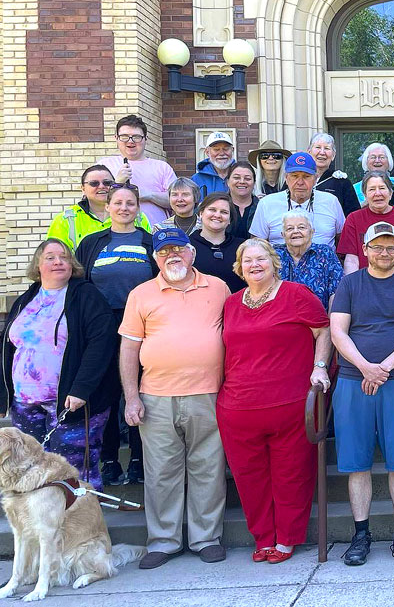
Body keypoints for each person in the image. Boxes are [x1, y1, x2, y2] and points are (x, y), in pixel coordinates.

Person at [119, 227, 230, 568]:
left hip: (208, 393)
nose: (173, 256)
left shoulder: (218, 288)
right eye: (164, 251)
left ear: (192, 252)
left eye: (178, 249)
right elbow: (128, 348)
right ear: (155, 258)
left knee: (208, 469)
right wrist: (131, 397)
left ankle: (205, 538)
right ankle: (163, 541)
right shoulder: (141, 294)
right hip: (156, 396)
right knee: (161, 472)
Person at [217, 238, 332, 564]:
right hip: (237, 408)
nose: (255, 265)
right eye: (248, 260)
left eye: (261, 259)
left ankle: (286, 538)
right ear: (239, 267)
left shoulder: (296, 295)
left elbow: (323, 331)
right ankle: (263, 537)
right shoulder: (232, 302)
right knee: (249, 478)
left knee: (291, 473)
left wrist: (319, 367)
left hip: (290, 405)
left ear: (273, 261)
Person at [330, 223, 394, 566]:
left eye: (390, 247)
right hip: (351, 381)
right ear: (365, 249)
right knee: (357, 463)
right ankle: (361, 534)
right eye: (377, 246)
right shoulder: (350, 283)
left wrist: (382, 368)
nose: (384, 253)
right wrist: (364, 368)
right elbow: (337, 332)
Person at [1, 239, 118, 486]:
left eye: (64, 257)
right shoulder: (26, 299)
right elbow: (7, 347)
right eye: (50, 257)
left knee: (73, 474)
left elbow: (101, 345)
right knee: (30, 470)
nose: (58, 262)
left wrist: (81, 389)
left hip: (70, 404)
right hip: (25, 404)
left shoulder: (86, 296)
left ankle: (80, 521)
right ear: (38, 265)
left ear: (72, 264)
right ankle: (40, 523)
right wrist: (4, 396)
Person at [76, 182, 156, 487]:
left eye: (130, 203)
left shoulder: (149, 242)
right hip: (101, 327)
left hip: (142, 325)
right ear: (108, 207)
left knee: (138, 391)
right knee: (106, 393)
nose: (124, 208)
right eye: (118, 203)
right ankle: (109, 459)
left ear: (138, 208)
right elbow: (80, 285)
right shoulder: (92, 243)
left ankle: (138, 459)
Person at [249, 152, 346, 248]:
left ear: (315, 179)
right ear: (286, 178)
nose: (300, 182)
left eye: (306, 177)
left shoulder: (331, 201)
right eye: (294, 176)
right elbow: (257, 245)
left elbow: (343, 242)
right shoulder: (267, 203)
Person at [340, 171, 394, 278]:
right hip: (366, 289)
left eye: (382, 188)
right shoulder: (354, 218)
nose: (378, 193)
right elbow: (351, 260)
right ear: (365, 195)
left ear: (390, 192)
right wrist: (353, 288)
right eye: (372, 189)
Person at [48, 164, 152, 249]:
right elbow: (54, 255)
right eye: (94, 183)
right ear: (83, 188)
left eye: (107, 183)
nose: (101, 186)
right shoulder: (66, 220)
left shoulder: (137, 216)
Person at [98, 115, 176, 225]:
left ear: (146, 139)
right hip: (114, 235)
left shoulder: (162, 167)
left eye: (136, 137)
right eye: (124, 136)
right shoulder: (104, 166)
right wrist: (117, 183)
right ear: (116, 138)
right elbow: (94, 200)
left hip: (155, 235)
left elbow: (176, 200)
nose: (131, 141)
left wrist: (150, 195)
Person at [276, 210, 344, 309]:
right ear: (283, 234)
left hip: (318, 320)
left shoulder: (324, 253)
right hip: (280, 319)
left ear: (312, 231)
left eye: (301, 227)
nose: (296, 231)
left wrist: (331, 322)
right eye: (289, 228)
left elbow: (337, 292)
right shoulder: (274, 255)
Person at [190, 192, 247, 293]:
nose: (217, 215)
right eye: (212, 210)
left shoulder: (243, 247)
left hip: (236, 306)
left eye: (224, 212)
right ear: (201, 213)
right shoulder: (186, 246)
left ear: (230, 220)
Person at [310, 133, 361, 217]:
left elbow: (353, 215)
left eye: (327, 148)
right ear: (309, 152)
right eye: (318, 147)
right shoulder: (297, 178)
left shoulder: (342, 182)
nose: (322, 152)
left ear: (333, 155)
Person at [192, 131, 236, 198]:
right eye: (216, 149)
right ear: (207, 152)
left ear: (232, 150)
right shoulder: (196, 180)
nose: (221, 153)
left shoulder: (243, 176)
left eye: (226, 149)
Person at [227, 161, 259, 239]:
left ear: (254, 183)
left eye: (247, 178)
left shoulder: (262, 207)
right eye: (236, 178)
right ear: (227, 182)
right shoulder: (217, 206)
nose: (242, 182)